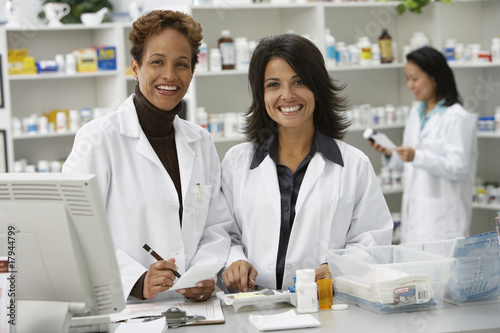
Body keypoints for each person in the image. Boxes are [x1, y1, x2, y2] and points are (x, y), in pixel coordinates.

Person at [62, 10, 232, 302]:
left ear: (192, 71)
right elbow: (74, 229)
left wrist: (203, 273)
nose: (169, 75)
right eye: (157, 62)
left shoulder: (200, 141)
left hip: (194, 307)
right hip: (127, 308)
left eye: (182, 64)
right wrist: (136, 280)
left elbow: (216, 226)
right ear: (135, 68)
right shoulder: (99, 139)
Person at [220, 33, 393, 292]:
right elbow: (223, 233)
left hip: (324, 308)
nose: (287, 95)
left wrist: (340, 267)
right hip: (253, 306)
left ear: (317, 88)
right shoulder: (236, 162)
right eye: (273, 85)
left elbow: (373, 241)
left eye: (299, 82)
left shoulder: (354, 164)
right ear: (261, 94)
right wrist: (235, 261)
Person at [369, 46, 477, 244]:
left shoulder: (458, 117)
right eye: (408, 79)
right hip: (413, 221)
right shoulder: (416, 113)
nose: (410, 85)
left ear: (434, 77)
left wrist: (416, 156)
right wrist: (389, 153)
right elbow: (409, 165)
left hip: (443, 225)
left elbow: (458, 167)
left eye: (415, 78)